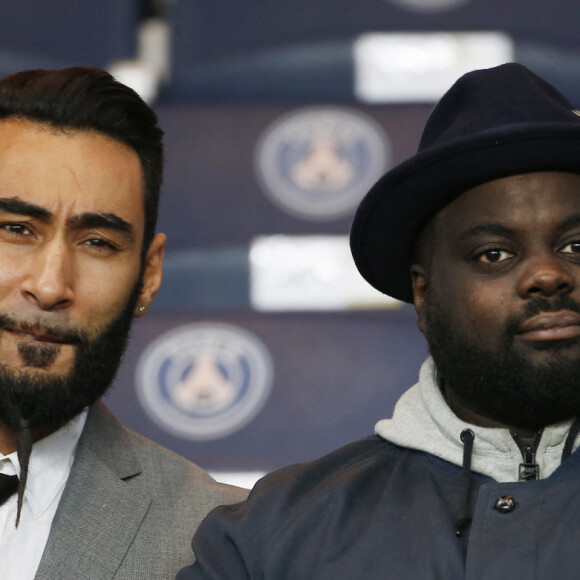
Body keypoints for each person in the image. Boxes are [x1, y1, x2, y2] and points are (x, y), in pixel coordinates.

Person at [177, 62, 580, 579]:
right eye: (494, 254)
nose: (548, 275)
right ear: (423, 291)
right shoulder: (272, 534)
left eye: (576, 244)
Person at [0, 67, 247, 579]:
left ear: (148, 275)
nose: (50, 286)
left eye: (98, 242)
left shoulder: (223, 541)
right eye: (16, 229)